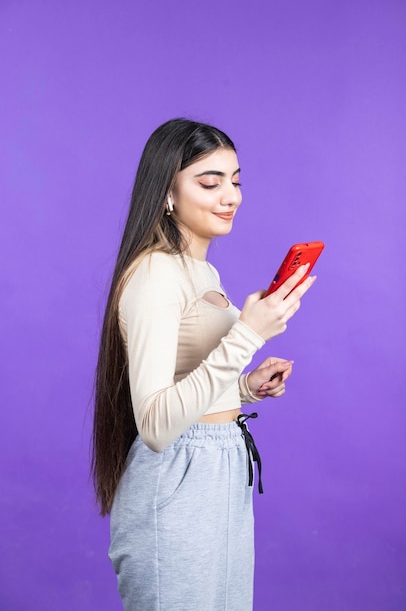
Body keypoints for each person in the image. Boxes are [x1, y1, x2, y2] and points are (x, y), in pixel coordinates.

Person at [91, 118, 316, 611]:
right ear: (167, 192)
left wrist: (245, 390)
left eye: (235, 181)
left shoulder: (202, 269)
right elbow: (154, 423)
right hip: (176, 481)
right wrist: (248, 333)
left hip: (221, 467)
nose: (230, 195)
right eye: (210, 182)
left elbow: (187, 384)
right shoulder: (154, 273)